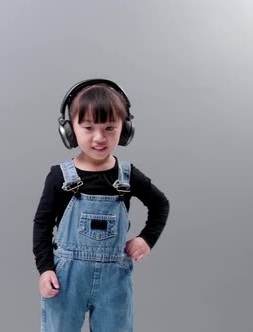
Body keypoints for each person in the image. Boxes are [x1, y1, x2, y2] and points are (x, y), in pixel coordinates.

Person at [32, 78, 170, 332]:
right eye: (87, 128)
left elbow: (160, 204)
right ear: (70, 130)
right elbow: (42, 224)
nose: (99, 137)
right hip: (66, 278)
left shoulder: (128, 176)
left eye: (109, 128)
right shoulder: (60, 177)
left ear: (125, 130)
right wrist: (45, 269)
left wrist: (146, 239)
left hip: (113, 281)